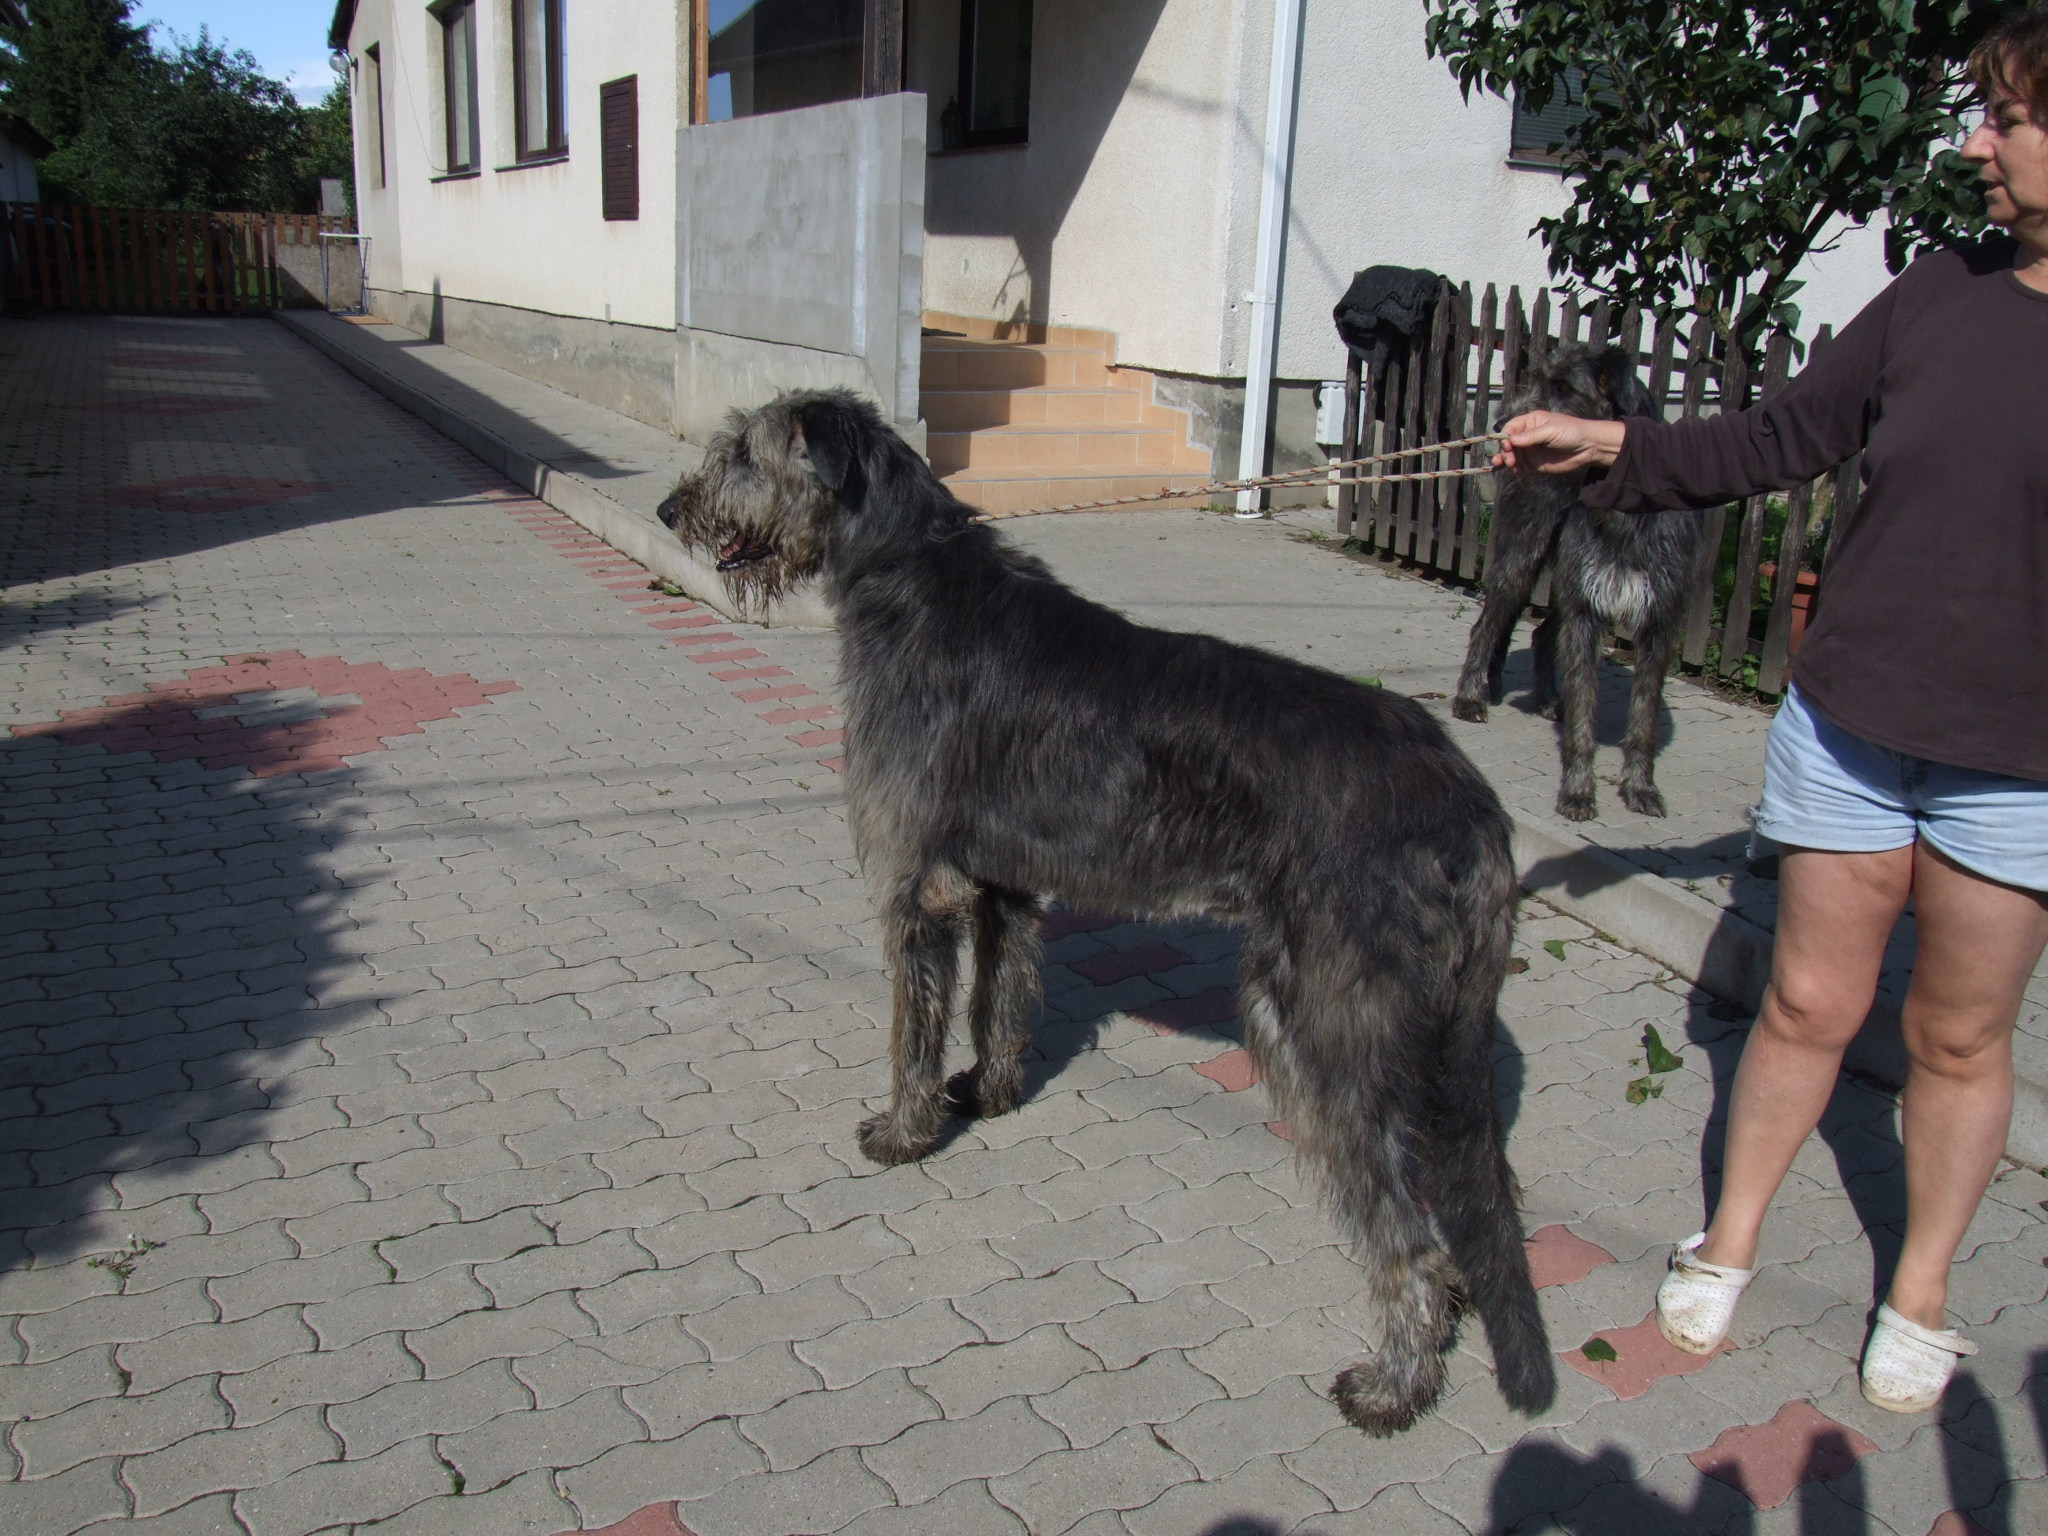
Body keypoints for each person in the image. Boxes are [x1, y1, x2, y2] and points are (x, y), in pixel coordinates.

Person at [1492, 5, 2048, 1415]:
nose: (1974, 144)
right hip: (1853, 724)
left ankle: (1921, 1291)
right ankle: (1729, 1240)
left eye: (2006, 119)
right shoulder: (1939, 292)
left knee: (1959, 1040)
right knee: (1803, 1002)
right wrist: (1606, 445)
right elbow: (1778, 435)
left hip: (2021, 767)